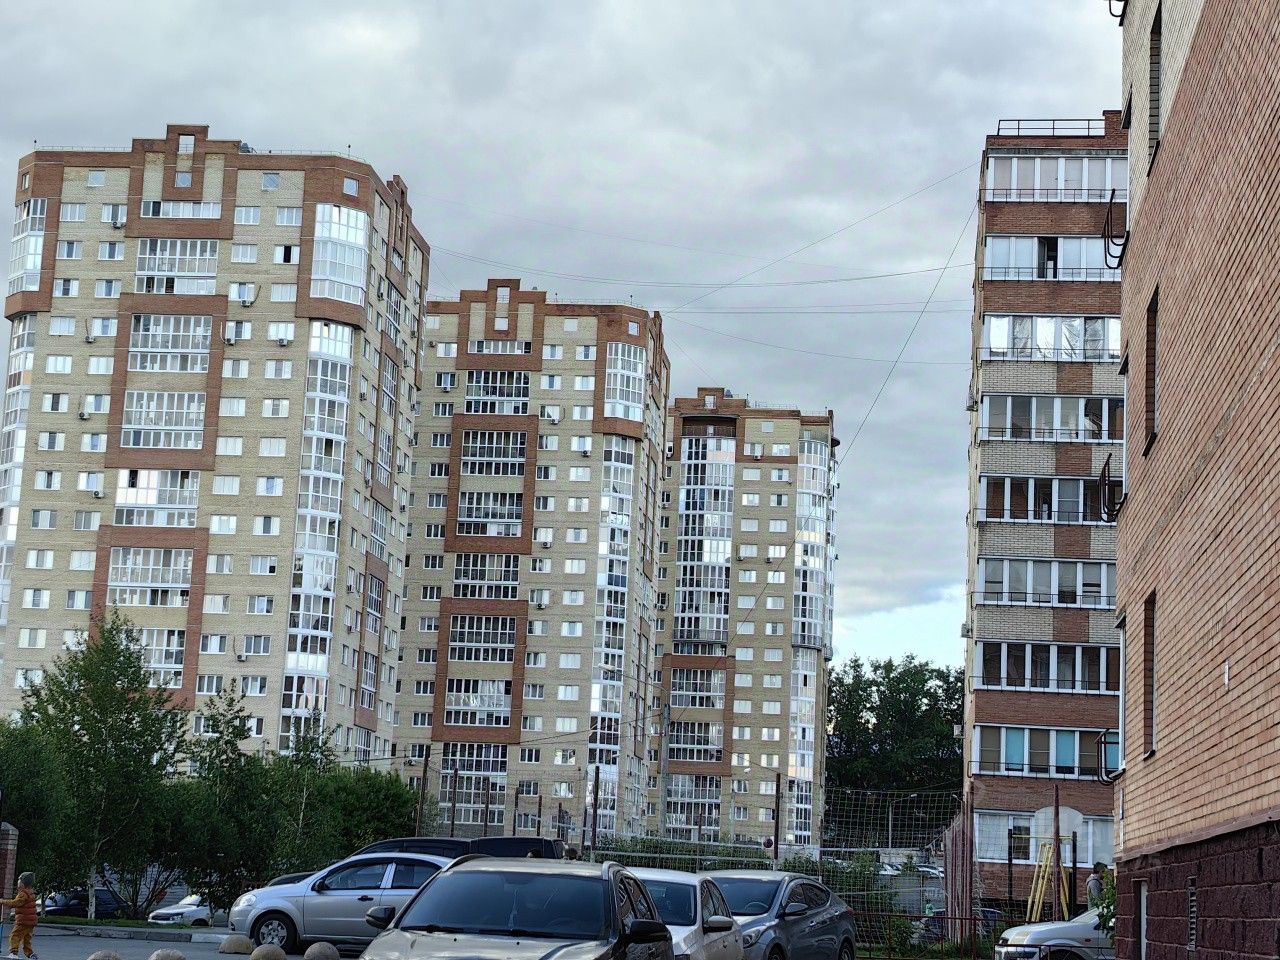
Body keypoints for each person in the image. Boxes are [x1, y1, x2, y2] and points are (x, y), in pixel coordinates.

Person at [0, 871, 38, 960]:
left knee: (15, 935)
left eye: (19, 880)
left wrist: (3, 901)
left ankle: (13, 953)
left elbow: (15, 903)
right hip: (31, 921)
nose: (17, 882)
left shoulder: (23, 894)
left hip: (24, 921)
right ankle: (31, 954)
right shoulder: (30, 892)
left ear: (23, 884)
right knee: (26, 938)